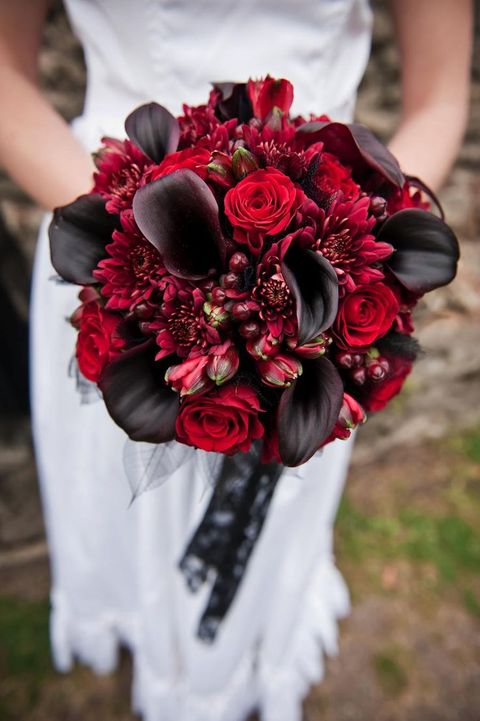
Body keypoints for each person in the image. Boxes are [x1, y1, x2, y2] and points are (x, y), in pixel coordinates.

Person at [0, 1, 472, 720]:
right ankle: (139, 626)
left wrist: (358, 259)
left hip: (325, 257)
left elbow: (438, 100)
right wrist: (133, 239)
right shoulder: (124, 246)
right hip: (111, 238)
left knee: (282, 483)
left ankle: (240, 650)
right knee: (119, 495)